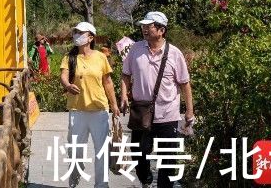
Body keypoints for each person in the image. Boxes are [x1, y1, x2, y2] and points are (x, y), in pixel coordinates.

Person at [120, 11, 195, 188]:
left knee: (167, 161)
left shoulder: (174, 53)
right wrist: (123, 94)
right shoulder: (136, 49)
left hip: (167, 115)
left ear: (161, 30)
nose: (144, 29)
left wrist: (189, 111)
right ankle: (145, 178)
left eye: (149, 26)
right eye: (143, 26)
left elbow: (185, 84)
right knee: (139, 153)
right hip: (142, 113)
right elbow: (125, 74)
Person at [60, 21, 121, 188]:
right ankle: (75, 174)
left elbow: (107, 82)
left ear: (90, 37)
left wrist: (114, 105)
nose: (76, 36)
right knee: (75, 150)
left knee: (101, 150)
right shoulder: (70, 57)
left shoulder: (101, 57)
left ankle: (101, 184)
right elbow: (64, 75)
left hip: (99, 110)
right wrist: (67, 85)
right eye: (76, 32)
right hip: (77, 110)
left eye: (81, 33)